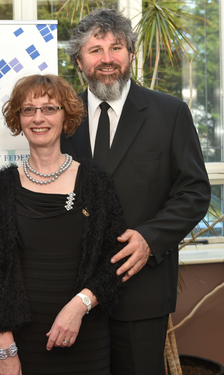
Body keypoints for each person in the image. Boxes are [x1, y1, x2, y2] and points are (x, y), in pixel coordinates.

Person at [61, 8, 211, 374]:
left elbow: (194, 191)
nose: (107, 59)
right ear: (79, 61)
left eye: (117, 48)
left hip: (141, 291)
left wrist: (149, 238)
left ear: (131, 55)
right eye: (95, 50)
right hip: (73, 292)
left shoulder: (170, 112)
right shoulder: (62, 118)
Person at [0, 74, 127, 375]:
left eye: (49, 108)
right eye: (28, 110)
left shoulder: (96, 182)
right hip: (23, 342)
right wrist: (4, 347)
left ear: (66, 116)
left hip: (86, 333)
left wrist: (80, 305)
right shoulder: (3, 186)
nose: (39, 118)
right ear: (18, 119)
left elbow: (114, 261)